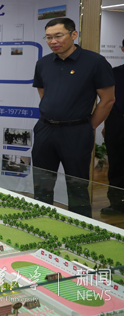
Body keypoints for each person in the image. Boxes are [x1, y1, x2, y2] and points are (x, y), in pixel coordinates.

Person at [32, 18, 115, 218]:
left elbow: (108, 100)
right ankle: (39, 222)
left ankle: (79, 227)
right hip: (45, 129)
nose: (53, 41)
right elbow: (44, 93)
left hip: (76, 132)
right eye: (48, 37)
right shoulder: (43, 63)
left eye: (58, 36)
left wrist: (88, 126)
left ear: (74, 34)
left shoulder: (95, 62)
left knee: (77, 184)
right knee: (42, 182)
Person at [102, 39, 124, 215]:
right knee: (116, 164)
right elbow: (108, 100)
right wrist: (105, 124)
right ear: (123, 49)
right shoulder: (114, 73)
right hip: (116, 122)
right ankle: (116, 204)